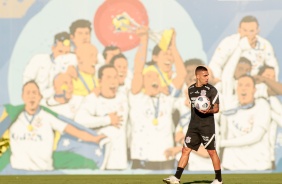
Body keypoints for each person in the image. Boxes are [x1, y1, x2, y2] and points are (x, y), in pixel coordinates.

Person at [8, 81, 107, 171]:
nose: (31, 96)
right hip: (18, 173)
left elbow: (72, 130)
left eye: (34, 93)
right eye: (28, 93)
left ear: (40, 97)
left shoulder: (47, 117)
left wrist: (94, 139)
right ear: (22, 97)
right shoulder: (12, 120)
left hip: (42, 172)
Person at [129, 27, 185, 170]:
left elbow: (182, 74)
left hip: (166, 159)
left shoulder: (167, 98)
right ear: (142, 81)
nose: (154, 78)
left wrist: (173, 46)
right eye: (149, 76)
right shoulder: (137, 98)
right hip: (141, 159)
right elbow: (138, 69)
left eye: (156, 77)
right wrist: (144, 40)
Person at [163, 66, 222, 184]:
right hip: (194, 126)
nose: (207, 77)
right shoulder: (190, 90)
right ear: (198, 76)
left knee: (211, 152)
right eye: (205, 75)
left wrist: (208, 111)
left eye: (208, 75)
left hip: (207, 126)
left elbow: (216, 109)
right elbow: (193, 106)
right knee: (185, 150)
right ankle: (176, 178)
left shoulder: (212, 90)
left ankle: (218, 179)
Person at [74, 65, 129, 170]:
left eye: (115, 77)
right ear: (100, 81)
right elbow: (79, 120)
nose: (113, 81)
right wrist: (107, 120)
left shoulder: (123, 97)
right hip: (99, 163)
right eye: (108, 77)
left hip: (120, 163)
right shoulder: (93, 99)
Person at [220, 75, 271, 171]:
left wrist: (222, 143)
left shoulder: (262, 106)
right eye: (240, 85)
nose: (243, 88)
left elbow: (256, 136)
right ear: (236, 89)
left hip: (257, 166)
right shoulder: (230, 107)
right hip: (232, 166)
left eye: (247, 85)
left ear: (254, 90)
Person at [209, 15, 279, 82]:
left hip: (255, 85)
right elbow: (215, 63)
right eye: (245, 30)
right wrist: (220, 82)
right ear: (239, 30)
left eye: (251, 31)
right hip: (229, 81)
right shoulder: (228, 42)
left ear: (258, 31)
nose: (248, 34)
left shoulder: (265, 45)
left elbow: (273, 67)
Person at [23, 32, 76, 100]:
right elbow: (26, 83)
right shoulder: (38, 59)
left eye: (66, 53)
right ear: (53, 48)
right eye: (60, 51)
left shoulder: (72, 64)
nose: (63, 56)